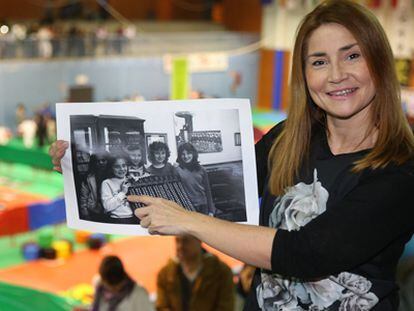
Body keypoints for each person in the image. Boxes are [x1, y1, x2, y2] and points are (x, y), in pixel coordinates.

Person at [49, 1, 414, 309]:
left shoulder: (401, 170)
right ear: (303, 74)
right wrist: (80, 163)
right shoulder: (289, 137)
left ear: (380, 62)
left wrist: (188, 221)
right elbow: (213, 193)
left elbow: (306, 254)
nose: (336, 75)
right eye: (319, 62)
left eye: (352, 55)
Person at [156, 234, 234, 311]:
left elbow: (225, 307)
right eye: (177, 241)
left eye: (185, 241)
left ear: (199, 240)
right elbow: (162, 307)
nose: (180, 246)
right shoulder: (165, 274)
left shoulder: (221, 272)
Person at [176, 143, 216, 216]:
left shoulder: (202, 169)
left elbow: (208, 191)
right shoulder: (177, 170)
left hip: (203, 205)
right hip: (187, 206)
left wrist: (211, 210)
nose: (186, 156)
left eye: (188, 153)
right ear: (179, 156)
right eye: (183, 154)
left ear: (193, 154)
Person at [100, 156, 136, 224]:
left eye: (124, 165)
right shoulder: (106, 183)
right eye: (117, 166)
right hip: (117, 219)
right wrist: (122, 192)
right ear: (111, 168)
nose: (122, 169)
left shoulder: (131, 179)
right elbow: (107, 207)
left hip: (134, 217)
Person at [79, 151, 108, 221]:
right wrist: (85, 213)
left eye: (103, 160)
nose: (101, 163)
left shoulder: (112, 175)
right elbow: (83, 197)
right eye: (97, 161)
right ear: (93, 163)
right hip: (94, 210)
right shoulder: (89, 178)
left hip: (110, 211)